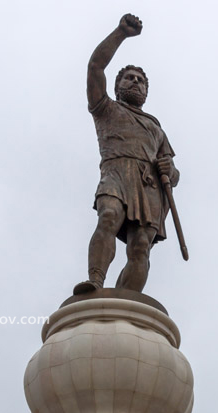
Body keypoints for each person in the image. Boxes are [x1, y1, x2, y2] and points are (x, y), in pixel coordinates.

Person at [73, 13, 180, 295]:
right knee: (108, 215)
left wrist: (170, 169)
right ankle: (96, 280)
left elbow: (173, 171)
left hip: (148, 185)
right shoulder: (106, 109)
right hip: (116, 173)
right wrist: (121, 33)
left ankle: (127, 300)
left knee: (141, 245)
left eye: (140, 81)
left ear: (145, 92)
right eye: (128, 78)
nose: (135, 82)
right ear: (118, 86)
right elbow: (95, 66)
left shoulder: (155, 127)